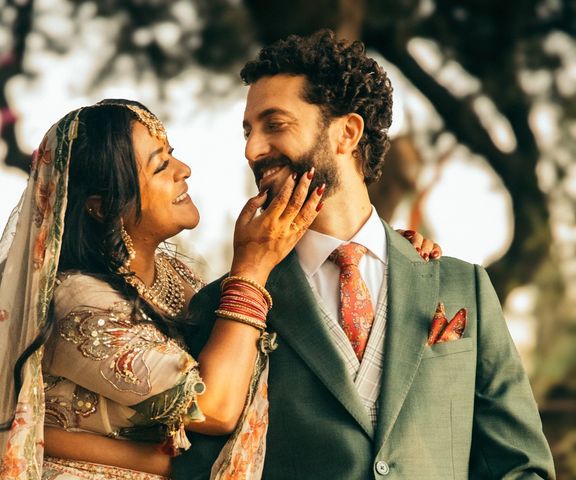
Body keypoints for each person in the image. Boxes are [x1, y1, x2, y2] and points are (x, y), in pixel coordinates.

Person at [0, 99, 437, 480]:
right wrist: (253, 266)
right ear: (100, 206)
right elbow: (214, 407)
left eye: (172, 154)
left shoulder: (180, 284)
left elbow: (268, 354)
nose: (184, 170)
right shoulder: (78, 303)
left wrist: (372, 259)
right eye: (159, 166)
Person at [172, 30, 556, 479]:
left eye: (274, 125)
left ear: (347, 133)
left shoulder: (461, 286)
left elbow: (521, 466)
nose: (252, 149)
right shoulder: (223, 308)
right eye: (248, 131)